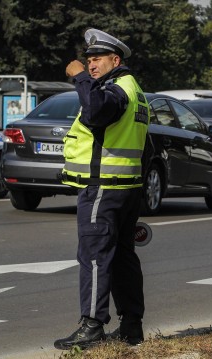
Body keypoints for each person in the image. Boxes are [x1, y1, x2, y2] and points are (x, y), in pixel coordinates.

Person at [54, 28, 150, 350]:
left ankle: (92, 326)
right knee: (122, 257)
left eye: (97, 60)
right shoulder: (134, 91)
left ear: (115, 59)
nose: (91, 65)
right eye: (88, 60)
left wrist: (80, 77)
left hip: (104, 189)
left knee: (94, 257)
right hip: (126, 188)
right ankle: (131, 326)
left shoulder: (116, 91)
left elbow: (94, 111)